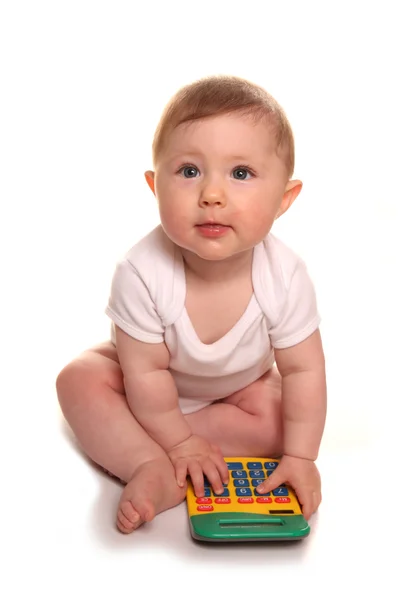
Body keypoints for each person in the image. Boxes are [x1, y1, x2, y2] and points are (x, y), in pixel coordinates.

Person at [56, 75, 327, 534]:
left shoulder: (285, 274)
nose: (212, 195)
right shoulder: (142, 271)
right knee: (78, 382)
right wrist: (179, 443)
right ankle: (149, 463)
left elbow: (304, 370)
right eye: (188, 171)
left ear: (284, 200)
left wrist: (301, 456)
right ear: (154, 185)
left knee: (282, 417)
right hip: (144, 382)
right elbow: (145, 373)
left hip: (239, 388)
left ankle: (150, 443)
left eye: (241, 174)